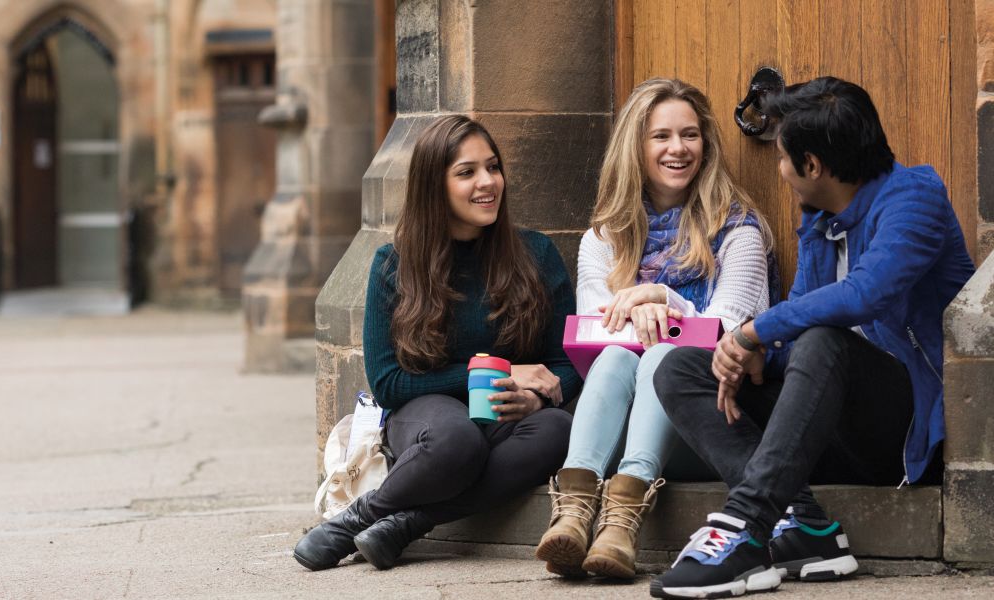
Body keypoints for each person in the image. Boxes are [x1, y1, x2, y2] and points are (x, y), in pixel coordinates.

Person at [650, 77, 976, 599]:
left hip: (904, 425)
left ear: (813, 166)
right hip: (823, 422)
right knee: (681, 367)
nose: (779, 171)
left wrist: (756, 331)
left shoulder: (915, 197)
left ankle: (745, 526)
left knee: (823, 339)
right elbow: (800, 309)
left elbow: (862, 295)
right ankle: (805, 525)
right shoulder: (821, 218)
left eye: (782, 158)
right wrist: (758, 352)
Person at [292, 114, 582, 571]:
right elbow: (387, 383)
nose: (487, 182)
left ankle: (404, 523)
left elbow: (565, 362)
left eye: (493, 167)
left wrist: (539, 395)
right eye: (466, 172)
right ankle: (357, 520)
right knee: (455, 440)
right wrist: (491, 371)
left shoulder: (536, 253)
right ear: (435, 185)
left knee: (559, 430)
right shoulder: (396, 264)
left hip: (507, 417)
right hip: (427, 415)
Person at [535, 78, 776, 580]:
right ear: (635, 146)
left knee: (666, 359)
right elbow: (598, 335)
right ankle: (575, 513)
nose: (678, 148)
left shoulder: (740, 232)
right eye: (660, 136)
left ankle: (622, 522)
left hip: (707, 422)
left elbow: (730, 333)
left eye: (690, 135)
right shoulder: (604, 238)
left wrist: (664, 300)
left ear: (705, 144)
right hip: (614, 434)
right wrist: (660, 316)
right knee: (619, 356)